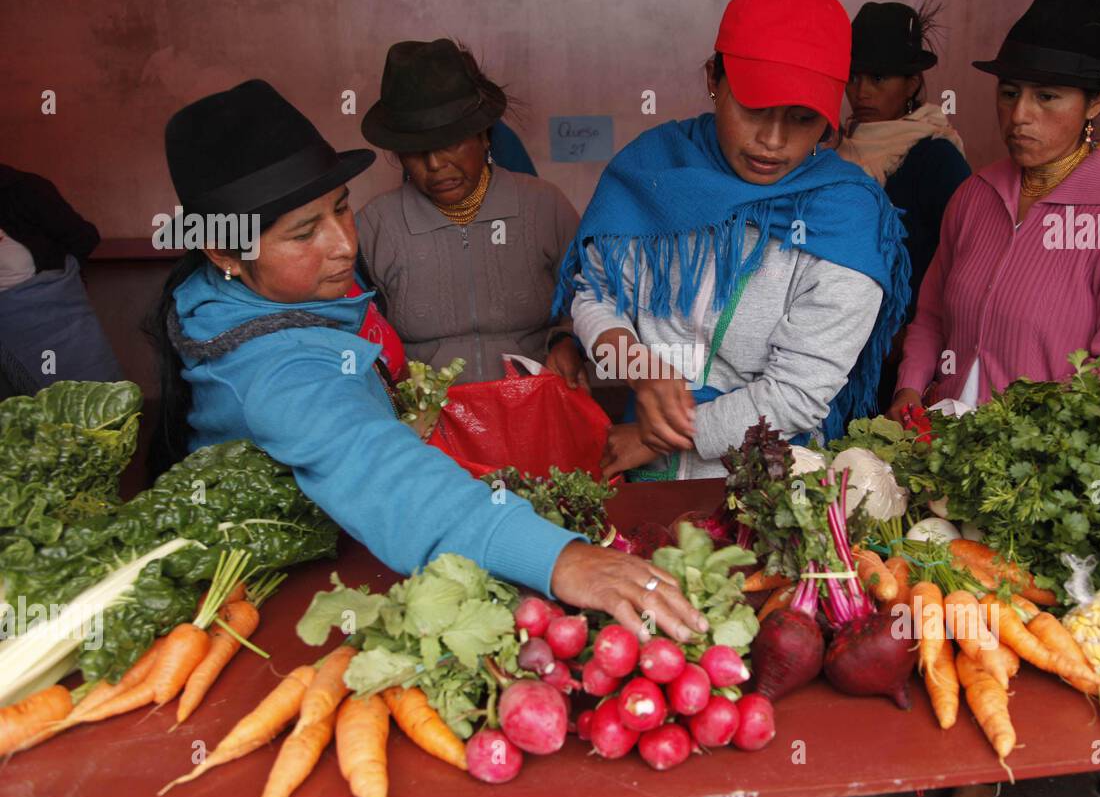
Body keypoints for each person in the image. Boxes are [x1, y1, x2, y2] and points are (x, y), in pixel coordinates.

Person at [148, 79, 707, 641]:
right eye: (303, 233)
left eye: (341, 209)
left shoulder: (229, 301)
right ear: (225, 252)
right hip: (277, 607)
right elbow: (375, 467)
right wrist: (561, 560)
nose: (343, 244)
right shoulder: (275, 369)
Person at [558, 0, 911, 481]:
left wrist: (658, 437)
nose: (771, 141)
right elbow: (596, 297)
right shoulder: (655, 171)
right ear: (713, 79)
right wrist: (640, 367)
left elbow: (796, 393)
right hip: (644, 466)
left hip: (767, 478)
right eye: (753, 108)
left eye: (802, 118)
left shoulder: (846, 217)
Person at [889, 0, 1100, 418]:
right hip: (938, 440)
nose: (1020, 114)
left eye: (1046, 97)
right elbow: (931, 316)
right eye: (1009, 93)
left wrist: (1022, 449)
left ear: (1096, 101)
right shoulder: (974, 196)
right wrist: (908, 391)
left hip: (1037, 467)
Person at [357, 40, 587, 387]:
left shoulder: (544, 207)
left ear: (484, 136)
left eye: (450, 143)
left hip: (535, 409)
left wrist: (566, 340)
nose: (434, 165)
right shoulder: (375, 226)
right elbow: (350, 329)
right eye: (415, 151)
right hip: (424, 429)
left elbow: (593, 299)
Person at [835, 2, 971, 408]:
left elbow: (962, 258)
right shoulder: (834, 149)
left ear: (912, 84)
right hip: (836, 339)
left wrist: (910, 334)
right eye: (853, 77)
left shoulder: (936, 157)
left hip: (902, 354)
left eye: (878, 78)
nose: (861, 91)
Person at [0, 164, 123, 397]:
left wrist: (54, 288)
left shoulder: (22, 189)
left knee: (79, 405)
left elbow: (83, 237)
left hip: (49, 317)